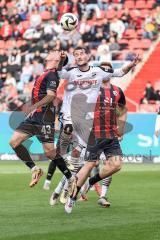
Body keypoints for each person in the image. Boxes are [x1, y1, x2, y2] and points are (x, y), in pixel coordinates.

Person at [44, 47, 139, 204]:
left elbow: (120, 74)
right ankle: (59, 187)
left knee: (99, 163)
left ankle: (77, 189)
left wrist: (132, 64)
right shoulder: (76, 75)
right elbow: (58, 73)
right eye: (76, 54)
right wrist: (61, 60)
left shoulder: (105, 80)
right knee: (75, 157)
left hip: (98, 128)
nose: (80, 56)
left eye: (82, 53)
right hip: (78, 123)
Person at [9, 50, 77, 194]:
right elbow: (60, 66)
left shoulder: (52, 74)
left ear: (56, 59)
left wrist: (34, 106)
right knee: (14, 142)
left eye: (55, 52)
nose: (52, 52)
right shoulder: (48, 72)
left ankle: (71, 179)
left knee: (50, 153)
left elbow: (51, 95)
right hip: (34, 116)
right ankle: (35, 169)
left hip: (44, 117)